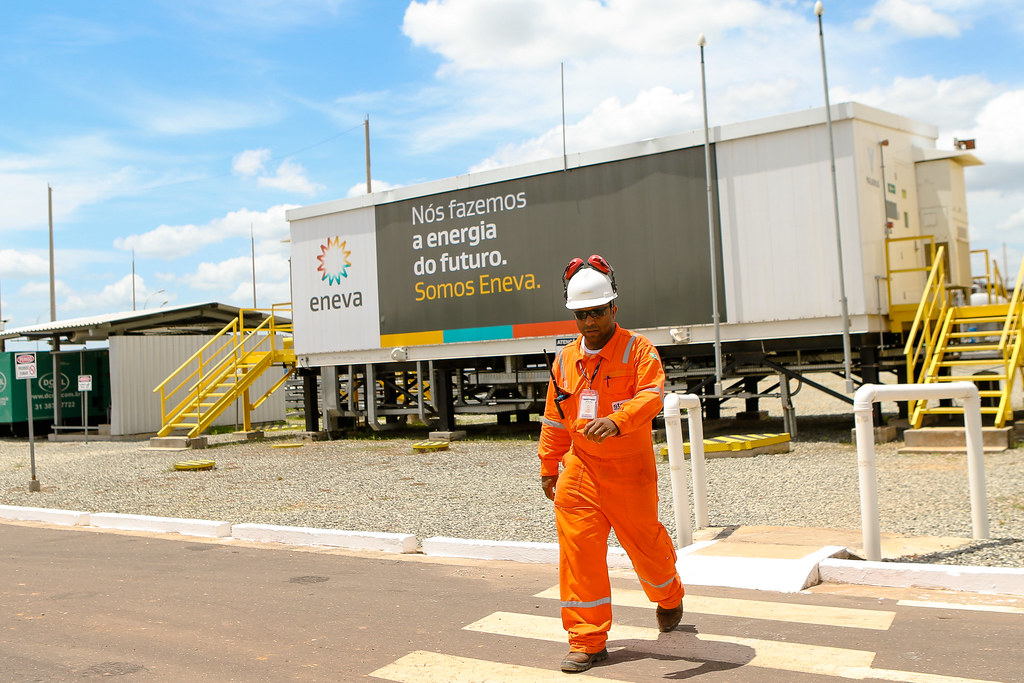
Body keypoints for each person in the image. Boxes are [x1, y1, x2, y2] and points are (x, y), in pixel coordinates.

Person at [538, 254, 684, 673]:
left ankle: (668, 594)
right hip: (581, 469)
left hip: (629, 472)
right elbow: (554, 416)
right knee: (578, 553)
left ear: (613, 310)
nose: (590, 323)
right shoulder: (565, 361)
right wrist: (549, 464)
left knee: (646, 546)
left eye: (598, 313)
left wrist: (617, 422)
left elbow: (652, 396)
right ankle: (587, 639)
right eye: (582, 315)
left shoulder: (639, 350)